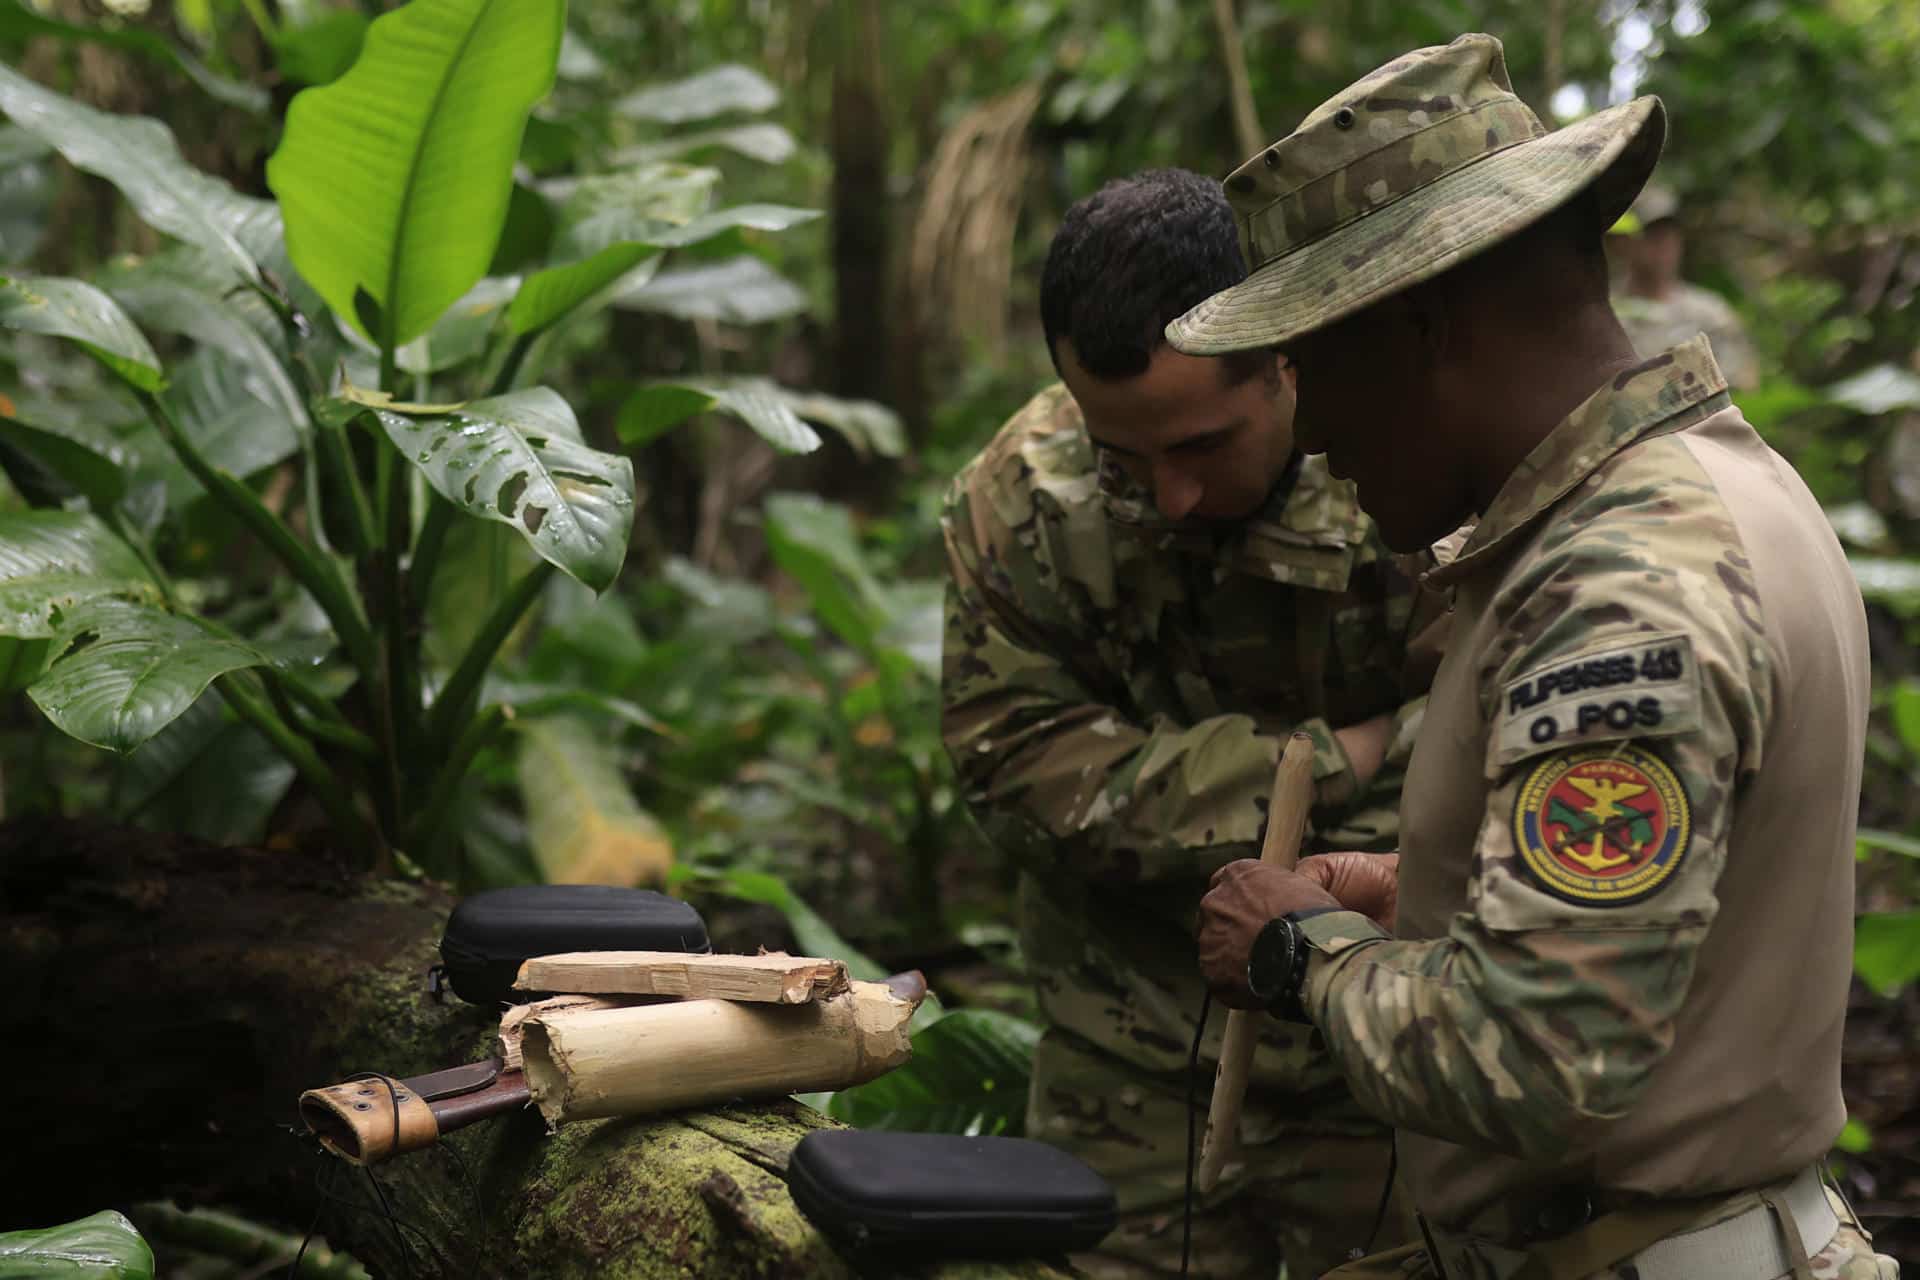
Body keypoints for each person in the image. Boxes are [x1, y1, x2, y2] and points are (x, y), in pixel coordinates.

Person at [1180, 33, 1897, 1280]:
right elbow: (1677, 917)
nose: (1313, 430)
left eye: (1311, 364)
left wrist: (1301, 951)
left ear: (1418, 323)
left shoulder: (1620, 589)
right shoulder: (1718, 484)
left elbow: (1541, 1056)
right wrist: (1437, 899)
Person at [940, 168, 1438, 1278]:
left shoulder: (1412, 470)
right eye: (1121, 454)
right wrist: (1328, 758)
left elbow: (1493, 730)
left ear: (1287, 362)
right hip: (1131, 1062)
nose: (1168, 496)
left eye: (1202, 445)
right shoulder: (1023, 503)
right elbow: (1017, 771)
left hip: (1384, 1049)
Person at [1609, 182, 1760, 389]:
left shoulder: (1711, 314)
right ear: (1623, 242)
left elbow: (1741, 386)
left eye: (1670, 233)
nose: (1665, 244)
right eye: (1652, 235)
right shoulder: (1607, 315)